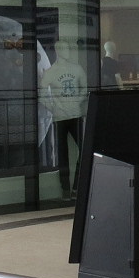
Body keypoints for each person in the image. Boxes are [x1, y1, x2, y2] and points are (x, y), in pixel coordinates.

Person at [40, 41, 89, 196]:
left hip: (76, 115)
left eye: (68, 48)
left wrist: (79, 101)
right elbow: (41, 94)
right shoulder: (51, 72)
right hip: (59, 117)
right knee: (62, 155)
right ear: (57, 50)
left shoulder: (77, 69)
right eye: (64, 48)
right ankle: (66, 189)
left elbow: (85, 88)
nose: (67, 51)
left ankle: (76, 187)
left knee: (84, 149)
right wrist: (53, 107)